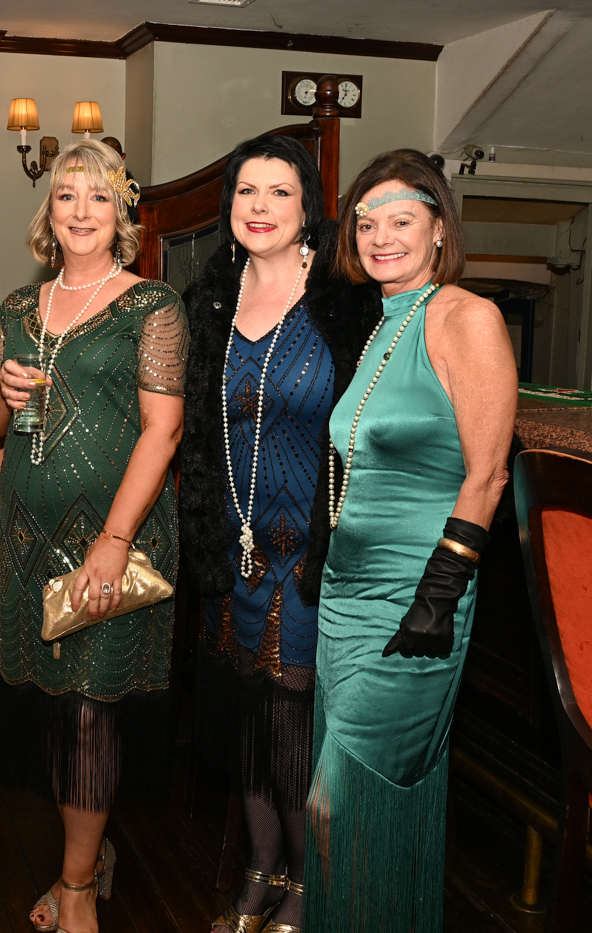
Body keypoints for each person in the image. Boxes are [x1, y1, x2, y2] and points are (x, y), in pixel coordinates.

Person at [0, 138, 187, 933]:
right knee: (59, 712)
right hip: (28, 542)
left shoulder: (152, 305)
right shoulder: (17, 309)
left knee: (93, 710)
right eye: (67, 195)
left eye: (99, 196)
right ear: (49, 213)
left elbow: (163, 430)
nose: (82, 210)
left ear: (121, 213)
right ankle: (89, 856)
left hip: (113, 541)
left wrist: (115, 539)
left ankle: (77, 887)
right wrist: (0, 393)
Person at [303, 150, 516, 932]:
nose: (381, 237)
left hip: (416, 603)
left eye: (402, 220)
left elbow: (488, 474)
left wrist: (439, 595)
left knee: (338, 802)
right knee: (345, 810)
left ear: (438, 230)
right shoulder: (381, 324)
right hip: (345, 603)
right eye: (367, 223)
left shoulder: (467, 317)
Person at [179, 135, 381, 933]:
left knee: (292, 726)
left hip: (309, 556)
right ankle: (260, 871)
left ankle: (308, 882)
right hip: (233, 545)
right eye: (246, 191)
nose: (259, 207)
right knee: (247, 722)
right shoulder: (209, 300)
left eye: (280, 192)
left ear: (309, 208)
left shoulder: (346, 296)